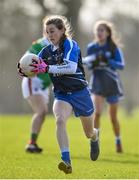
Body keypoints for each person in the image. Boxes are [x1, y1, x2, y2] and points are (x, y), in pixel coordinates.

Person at [23, 15, 100, 174]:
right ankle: (66, 160)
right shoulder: (45, 51)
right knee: (59, 121)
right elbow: (33, 64)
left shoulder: (71, 45)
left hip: (80, 93)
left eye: (52, 31)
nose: (50, 35)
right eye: (47, 32)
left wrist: (47, 69)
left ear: (62, 30)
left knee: (88, 132)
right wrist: (24, 69)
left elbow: (70, 67)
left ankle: (95, 136)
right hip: (62, 95)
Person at [83, 20, 125, 153]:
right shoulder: (92, 47)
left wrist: (108, 60)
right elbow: (88, 63)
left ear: (107, 33)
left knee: (113, 118)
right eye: (97, 30)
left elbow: (121, 65)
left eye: (102, 30)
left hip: (112, 84)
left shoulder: (113, 47)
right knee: (98, 113)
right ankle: (96, 142)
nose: (99, 33)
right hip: (97, 83)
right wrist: (92, 62)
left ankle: (118, 140)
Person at [21, 19, 51, 153]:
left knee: (42, 114)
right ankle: (31, 144)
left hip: (44, 85)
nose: (50, 32)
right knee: (42, 111)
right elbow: (24, 61)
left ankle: (33, 142)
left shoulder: (61, 46)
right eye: (48, 29)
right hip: (33, 81)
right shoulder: (40, 45)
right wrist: (24, 70)